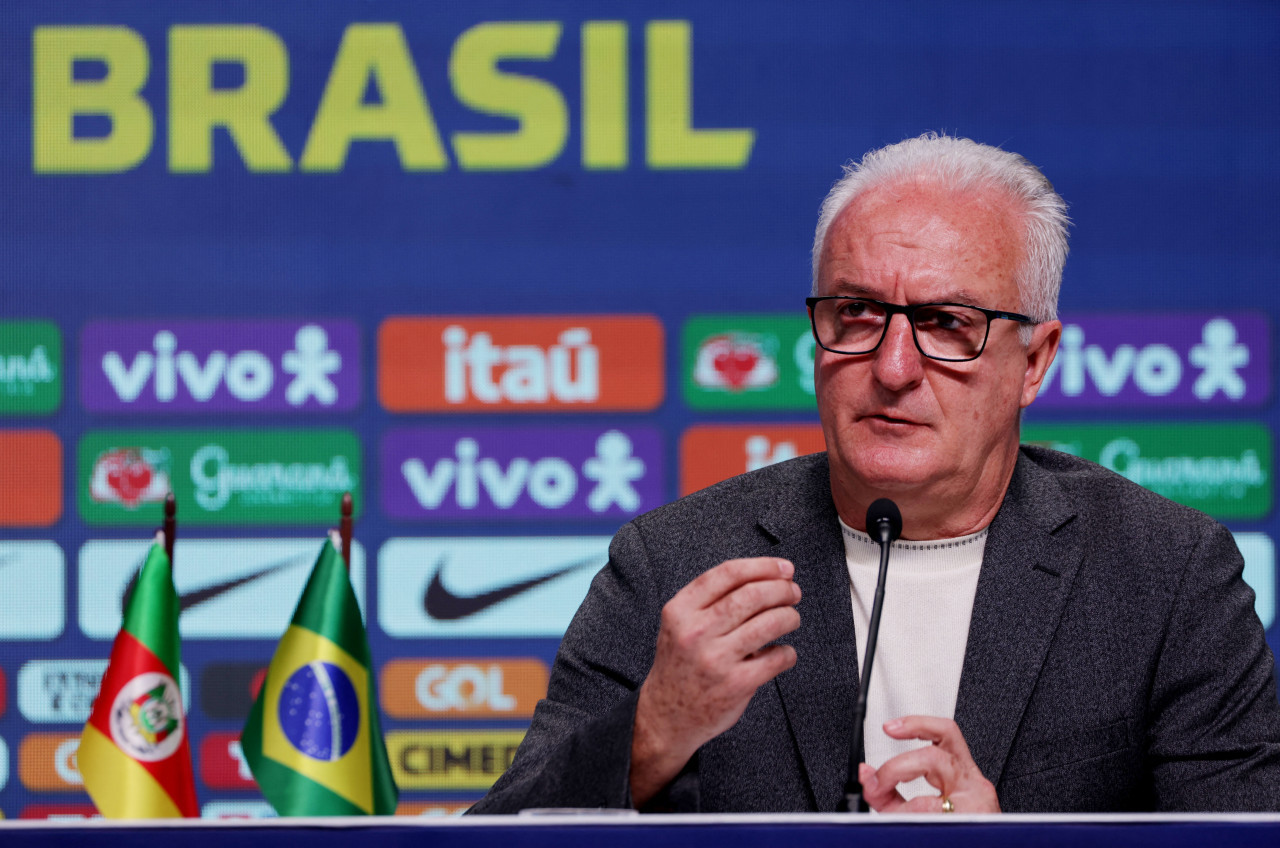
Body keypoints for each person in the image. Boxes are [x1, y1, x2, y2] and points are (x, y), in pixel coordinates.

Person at [469, 132, 1280, 814]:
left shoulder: (1165, 576)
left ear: (1034, 361)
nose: (893, 367)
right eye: (856, 313)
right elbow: (497, 838)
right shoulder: (674, 563)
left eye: (947, 323)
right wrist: (653, 731)